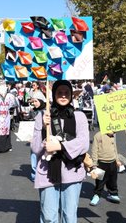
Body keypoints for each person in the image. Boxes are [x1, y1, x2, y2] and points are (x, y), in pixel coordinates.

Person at [31, 80, 89, 222]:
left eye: (66, 93)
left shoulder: (79, 116)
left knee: (69, 216)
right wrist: (44, 127)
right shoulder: (43, 116)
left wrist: (60, 146)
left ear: (71, 95)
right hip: (48, 172)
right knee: (49, 217)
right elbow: (35, 148)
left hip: (72, 171)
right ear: (53, 95)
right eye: (59, 93)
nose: (63, 96)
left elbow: (83, 143)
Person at [89, 131, 121, 206]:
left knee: (113, 179)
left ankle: (113, 193)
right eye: (112, 130)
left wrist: (117, 160)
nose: (114, 132)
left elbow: (114, 148)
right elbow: (94, 150)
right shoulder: (98, 135)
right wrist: (94, 163)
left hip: (112, 161)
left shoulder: (113, 135)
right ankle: (97, 195)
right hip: (101, 162)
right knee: (100, 181)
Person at [0, 83, 17, 153]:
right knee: (6, 130)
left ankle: (0, 148)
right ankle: (7, 146)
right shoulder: (11, 96)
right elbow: (14, 104)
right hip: (6, 115)